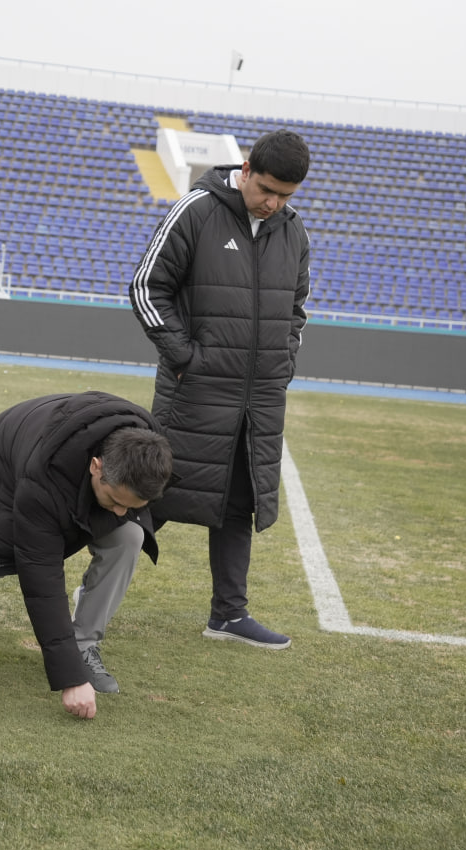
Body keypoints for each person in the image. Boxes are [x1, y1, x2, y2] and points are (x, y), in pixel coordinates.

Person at [128, 129, 312, 652]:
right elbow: (147, 286)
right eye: (268, 191)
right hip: (194, 394)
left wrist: (284, 361)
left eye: (287, 196)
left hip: (258, 402)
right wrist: (186, 358)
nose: (274, 203)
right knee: (146, 496)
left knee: (238, 503)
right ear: (248, 168)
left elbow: (296, 309)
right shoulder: (196, 210)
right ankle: (91, 595)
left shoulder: (293, 232)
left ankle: (229, 615)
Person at [0, 391, 172, 720]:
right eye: (115, 500)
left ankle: (83, 644)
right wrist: (70, 678)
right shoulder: (44, 476)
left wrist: (120, 507)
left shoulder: (148, 450)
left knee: (131, 534)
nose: (121, 511)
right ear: (97, 466)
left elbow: (138, 503)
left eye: (131, 505)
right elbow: (41, 577)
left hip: (58, 472)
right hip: (0, 469)